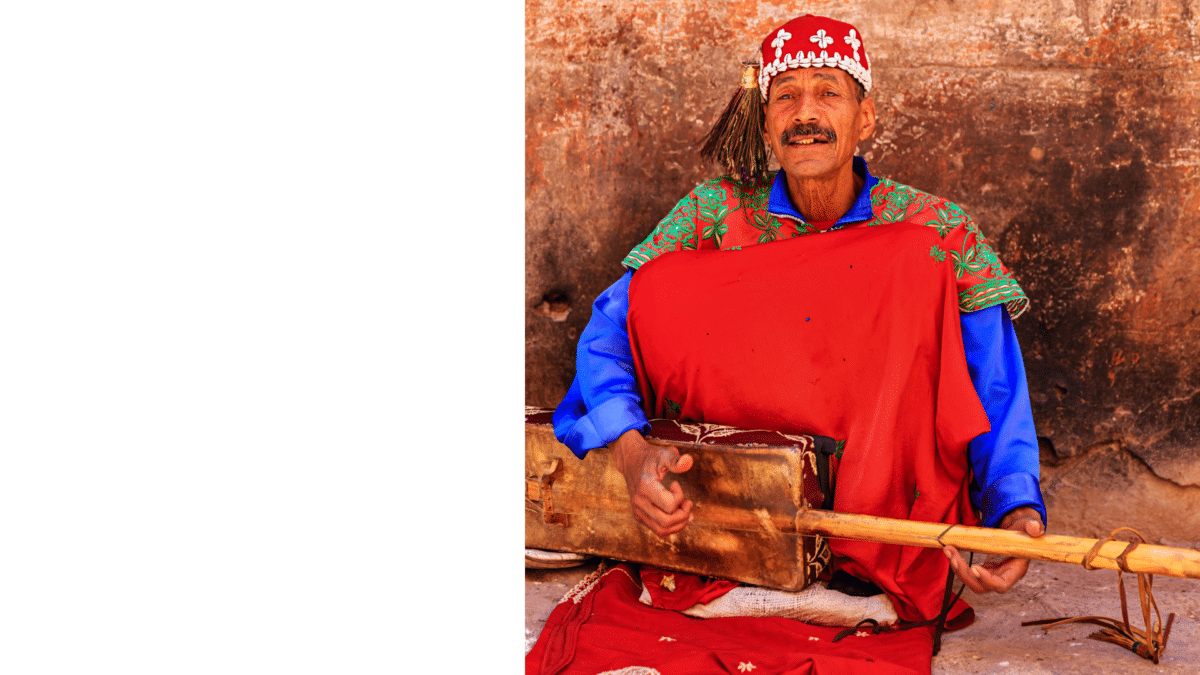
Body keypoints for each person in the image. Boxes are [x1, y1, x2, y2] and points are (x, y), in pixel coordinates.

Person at [552, 13, 1046, 609]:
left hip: (884, 526)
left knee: (911, 260)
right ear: (763, 120)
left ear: (865, 117)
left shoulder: (933, 230)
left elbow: (992, 382)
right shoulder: (715, 215)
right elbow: (611, 333)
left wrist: (1015, 507)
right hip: (732, 521)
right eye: (785, 97)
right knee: (661, 284)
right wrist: (630, 452)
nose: (805, 115)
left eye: (828, 93)